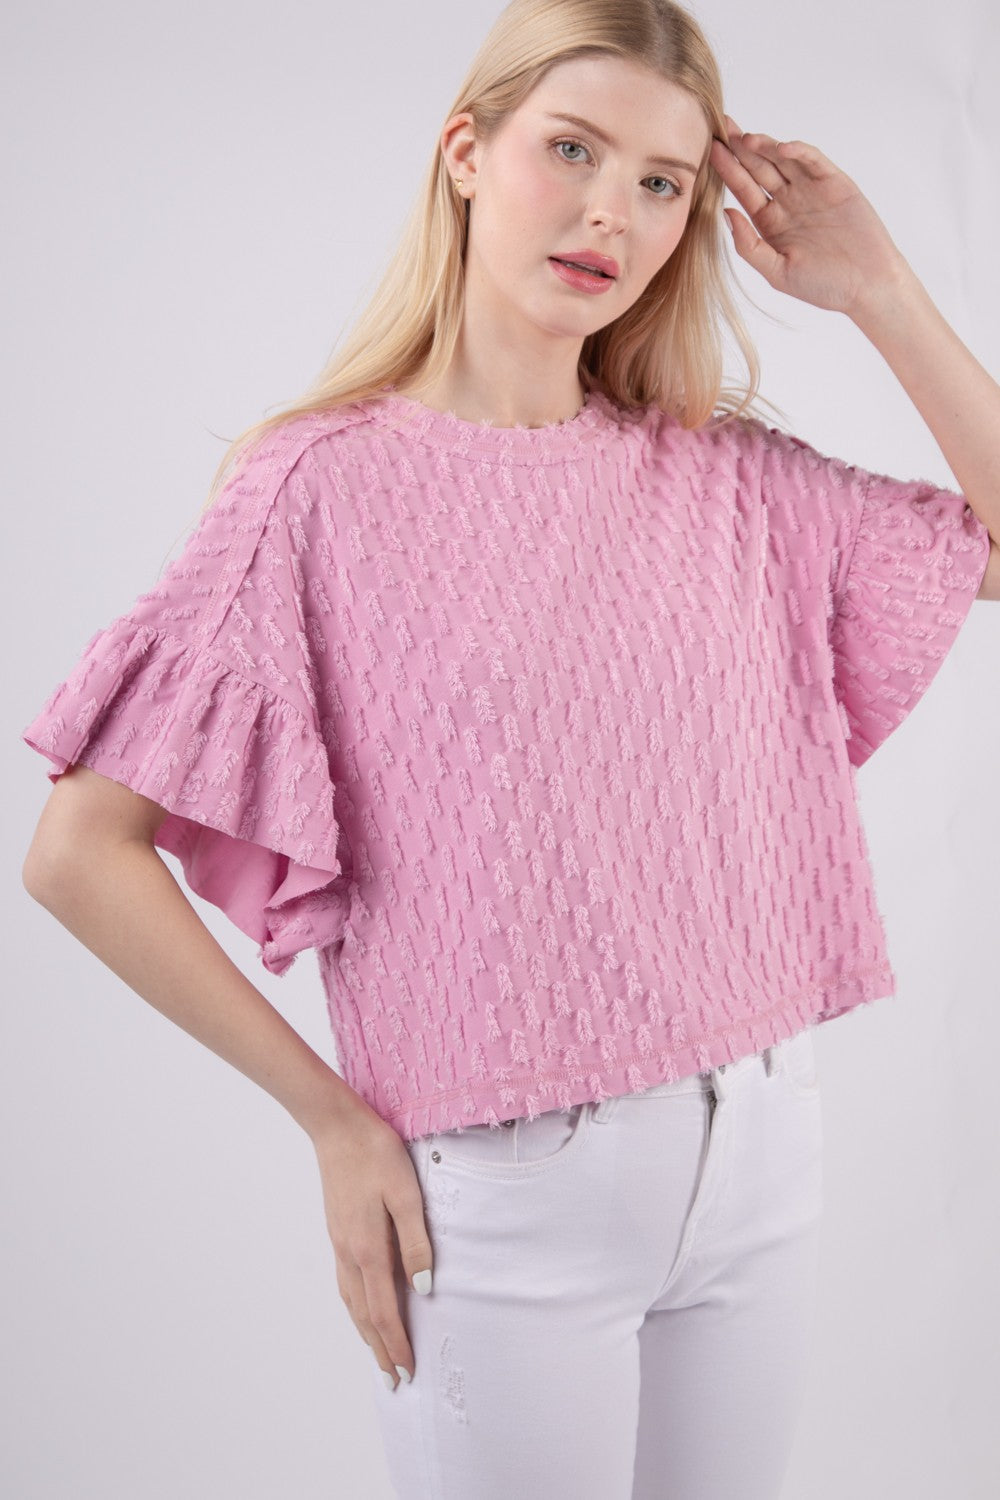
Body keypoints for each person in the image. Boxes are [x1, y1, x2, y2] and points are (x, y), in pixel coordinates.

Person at [19, 0, 1000, 1496]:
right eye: (572, 149)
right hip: (503, 1190)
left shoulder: (722, 471)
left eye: (663, 181)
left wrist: (880, 289)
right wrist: (333, 1124)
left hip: (761, 1153)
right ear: (467, 154)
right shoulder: (317, 488)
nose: (612, 209)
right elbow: (80, 850)